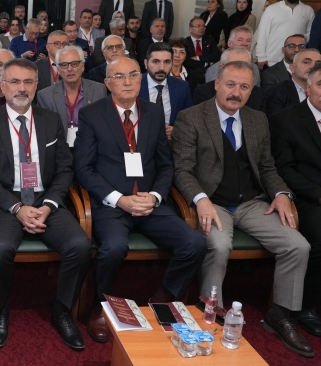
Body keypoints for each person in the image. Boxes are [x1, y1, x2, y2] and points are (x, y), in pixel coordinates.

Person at [171, 60, 314, 358]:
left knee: (298, 245)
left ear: (252, 91)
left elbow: (267, 167)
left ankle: (280, 314)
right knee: (220, 245)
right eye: (230, 84)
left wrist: (281, 193)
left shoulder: (258, 119)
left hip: (251, 203)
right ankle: (212, 314)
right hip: (213, 201)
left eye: (244, 87)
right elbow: (182, 170)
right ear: (217, 84)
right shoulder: (191, 117)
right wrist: (200, 199)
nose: (236, 92)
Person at [74, 56, 206, 344]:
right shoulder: (92, 114)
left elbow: (165, 164)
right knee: (113, 248)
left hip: (149, 202)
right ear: (107, 83)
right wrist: (119, 199)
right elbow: (83, 168)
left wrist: (155, 196)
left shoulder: (153, 112)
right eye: (119, 77)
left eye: (133, 75)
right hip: (112, 204)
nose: (127, 82)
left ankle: (162, 299)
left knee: (194, 243)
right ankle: (101, 306)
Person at [0, 57, 90, 350]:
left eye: (28, 82)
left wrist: (48, 206)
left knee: (80, 245)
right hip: (7, 202)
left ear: (37, 86)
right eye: (14, 81)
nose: (21, 88)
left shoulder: (51, 120)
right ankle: (1, 310)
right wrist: (17, 208)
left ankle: (62, 311)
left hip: (45, 199)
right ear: (2, 86)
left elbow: (64, 169)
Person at [270, 62, 321, 339]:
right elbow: (284, 169)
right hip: (306, 197)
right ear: (308, 88)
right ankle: (306, 306)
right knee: (319, 237)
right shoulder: (286, 120)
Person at [37, 45, 107, 147]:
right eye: (64, 65)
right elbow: (46, 131)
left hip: (91, 146)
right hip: (59, 149)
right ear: (58, 70)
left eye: (74, 64)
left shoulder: (98, 89)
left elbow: (103, 126)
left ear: (82, 66)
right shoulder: (45, 96)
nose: (70, 69)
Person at [257, 0, 315, 68]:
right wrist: (261, 57)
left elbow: (311, 35)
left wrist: (304, 36)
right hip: (272, 60)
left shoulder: (308, 10)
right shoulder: (271, 10)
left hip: (297, 62)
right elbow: (262, 35)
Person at [138, 42, 193, 139]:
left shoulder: (182, 86)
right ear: (146, 64)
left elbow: (189, 119)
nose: (161, 68)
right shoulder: (134, 85)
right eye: (156, 61)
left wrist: (177, 130)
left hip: (171, 142)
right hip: (141, 140)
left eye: (167, 62)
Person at [193, 48, 267, 112]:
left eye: (245, 66)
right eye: (233, 66)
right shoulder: (203, 93)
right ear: (221, 67)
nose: (236, 93)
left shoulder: (259, 95)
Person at [266, 49, 320, 116]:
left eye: (317, 64)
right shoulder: (277, 92)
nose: (312, 67)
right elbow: (276, 120)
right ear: (292, 68)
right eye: (306, 62)